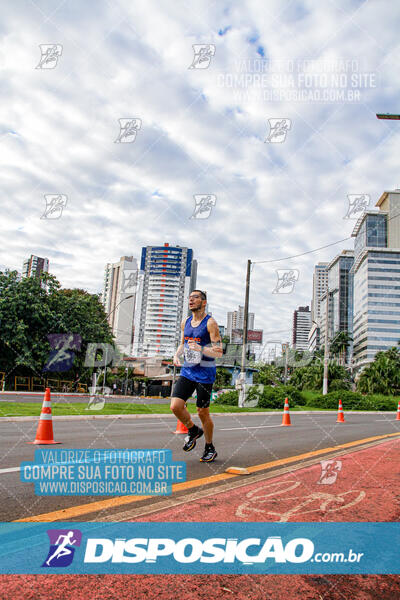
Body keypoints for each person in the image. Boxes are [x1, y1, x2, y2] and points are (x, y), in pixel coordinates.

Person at [170, 290, 223, 462]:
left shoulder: (210, 323)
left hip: (205, 374)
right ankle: (193, 430)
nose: (191, 300)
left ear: (204, 302)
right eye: (190, 298)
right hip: (188, 371)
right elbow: (183, 342)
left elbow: (219, 352)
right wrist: (177, 355)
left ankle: (209, 447)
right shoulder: (185, 321)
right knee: (175, 406)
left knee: (202, 412)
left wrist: (200, 349)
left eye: (196, 297)